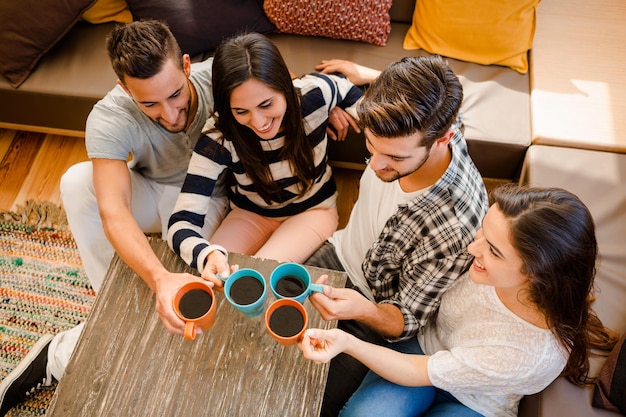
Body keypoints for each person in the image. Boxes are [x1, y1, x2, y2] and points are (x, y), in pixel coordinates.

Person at [0, 20, 232, 414]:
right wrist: (158, 279)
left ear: (188, 65)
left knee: (190, 305)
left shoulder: (221, 78)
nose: (171, 113)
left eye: (175, 94)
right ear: (126, 90)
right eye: (150, 104)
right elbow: (112, 210)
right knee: (77, 181)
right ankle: (111, 303)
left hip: (208, 198)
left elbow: (283, 85)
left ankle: (57, 354)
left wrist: (337, 102)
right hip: (152, 189)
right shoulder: (108, 116)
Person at [299, 184, 620, 417]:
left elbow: (418, 371)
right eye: (482, 233)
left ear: (537, 276)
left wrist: (347, 342)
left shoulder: (531, 354)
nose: (472, 249)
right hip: (426, 346)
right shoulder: (485, 255)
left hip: (474, 402)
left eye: (493, 251)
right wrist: (363, 306)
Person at [303, 56, 489, 416]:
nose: (374, 165)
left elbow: (404, 320)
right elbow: (444, 88)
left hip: (374, 311)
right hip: (339, 254)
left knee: (301, 401)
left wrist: (364, 310)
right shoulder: (430, 118)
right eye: (371, 147)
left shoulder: (454, 229)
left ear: (444, 138)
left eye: (394, 158)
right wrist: (370, 75)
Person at [167, 33, 364, 286]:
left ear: (285, 86)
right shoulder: (219, 136)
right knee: (211, 280)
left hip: (313, 210)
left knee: (253, 283)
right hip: (250, 214)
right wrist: (207, 253)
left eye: (266, 104)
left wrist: (353, 117)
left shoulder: (315, 94)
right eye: (241, 111)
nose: (259, 123)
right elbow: (181, 222)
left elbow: (356, 96)